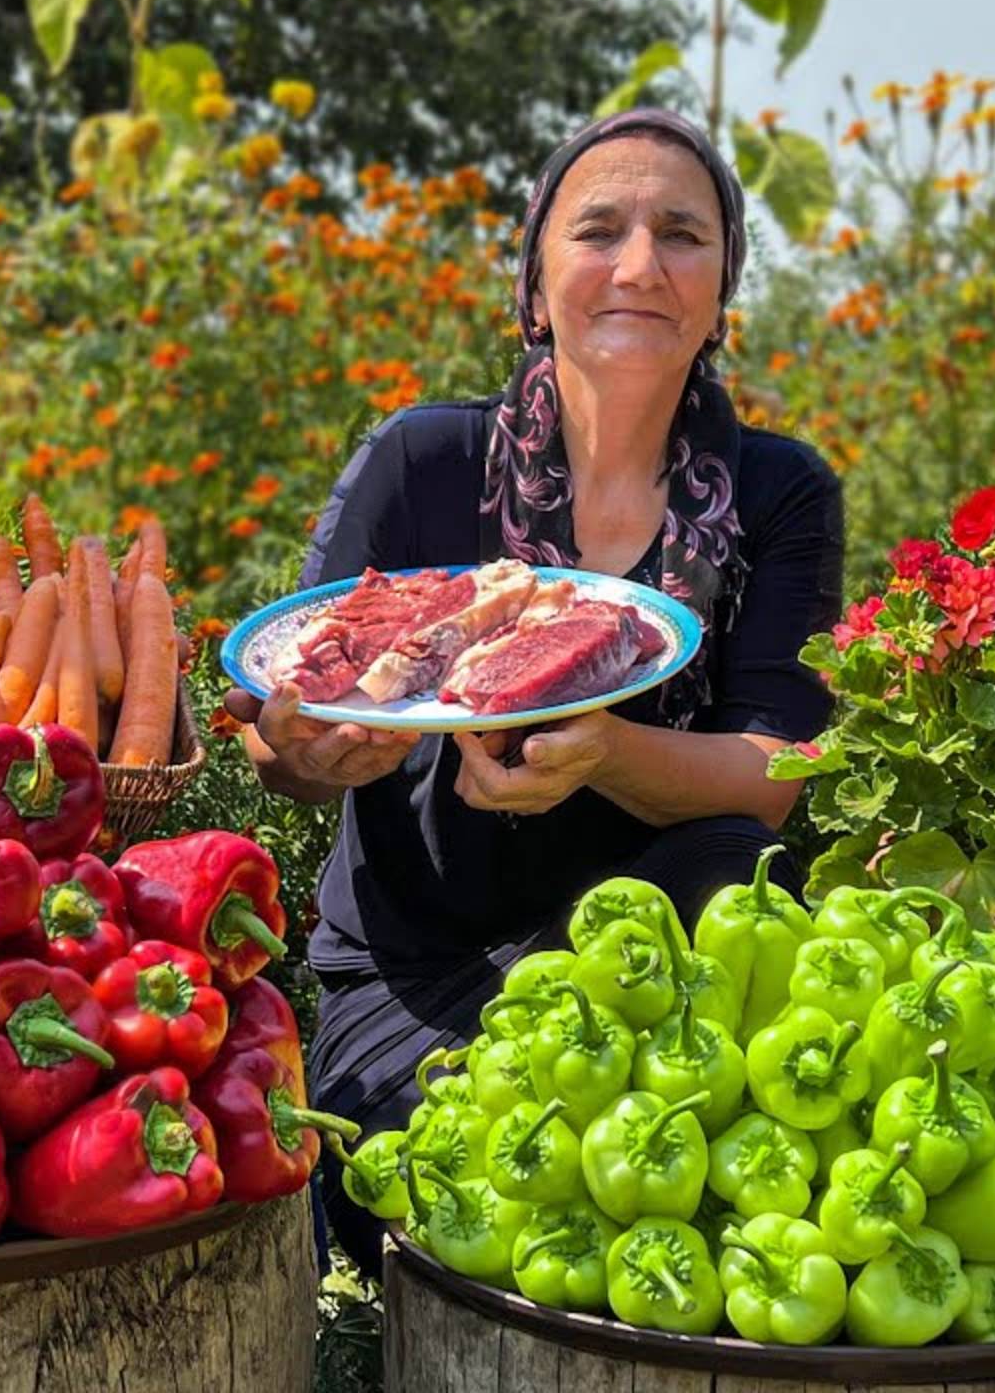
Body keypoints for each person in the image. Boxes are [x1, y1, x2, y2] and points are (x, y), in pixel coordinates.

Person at [221, 109, 844, 1272]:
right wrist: (310, 750)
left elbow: (772, 776)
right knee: (459, 1191)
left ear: (723, 291)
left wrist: (605, 754)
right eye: (598, 228)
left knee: (732, 867)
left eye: (683, 236)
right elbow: (278, 727)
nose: (640, 265)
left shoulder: (779, 493)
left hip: (651, 966)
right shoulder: (423, 462)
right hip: (418, 974)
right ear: (535, 278)